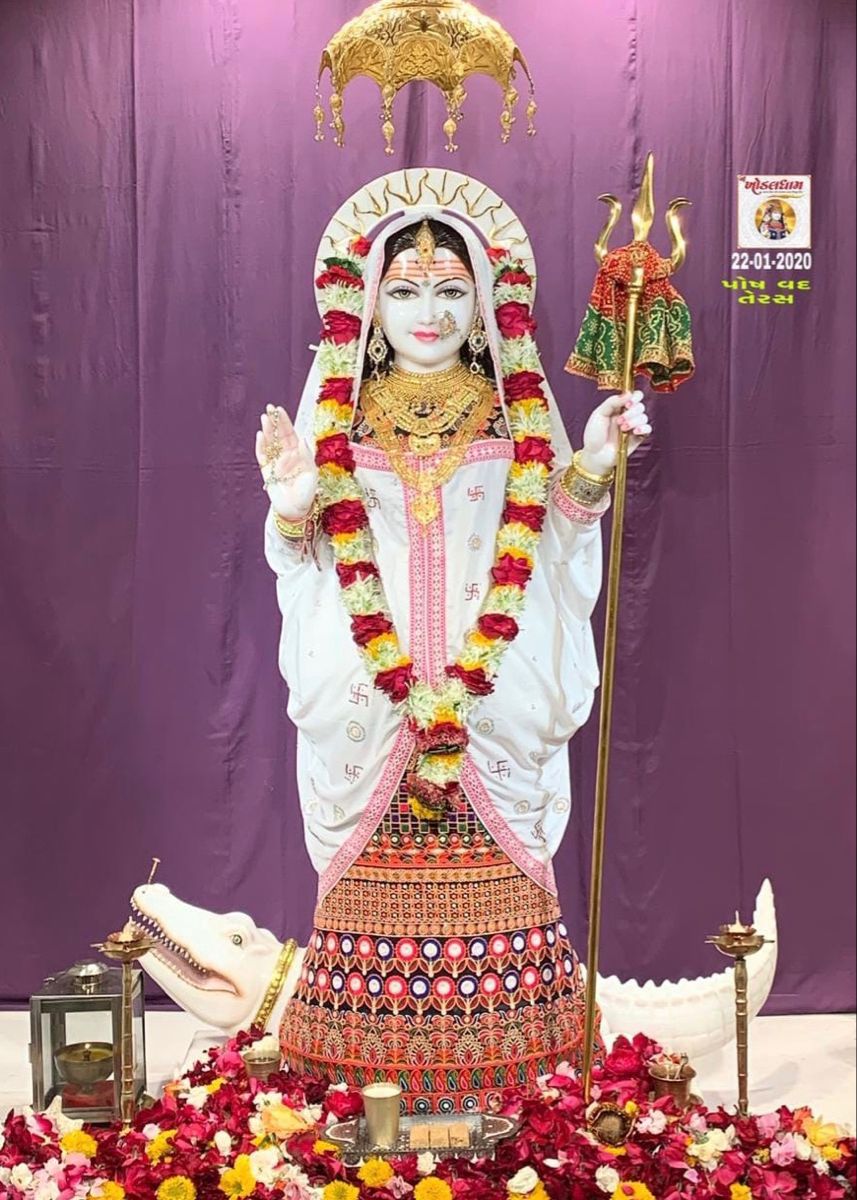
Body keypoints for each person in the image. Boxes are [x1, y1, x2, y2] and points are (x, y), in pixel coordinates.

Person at [255, 203, 651, 1115]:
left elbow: (556, 535)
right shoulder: (335, 426)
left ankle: (524, 1073)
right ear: (367, 306)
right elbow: (300, 560)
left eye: (448, 291)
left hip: (490, 699)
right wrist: (288, 505)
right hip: (367, 700)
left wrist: (590, 462)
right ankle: (357, 1081)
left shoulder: (515, 424)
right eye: (403, 291)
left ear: (484, 311)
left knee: (506, 890)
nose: (426, 312)